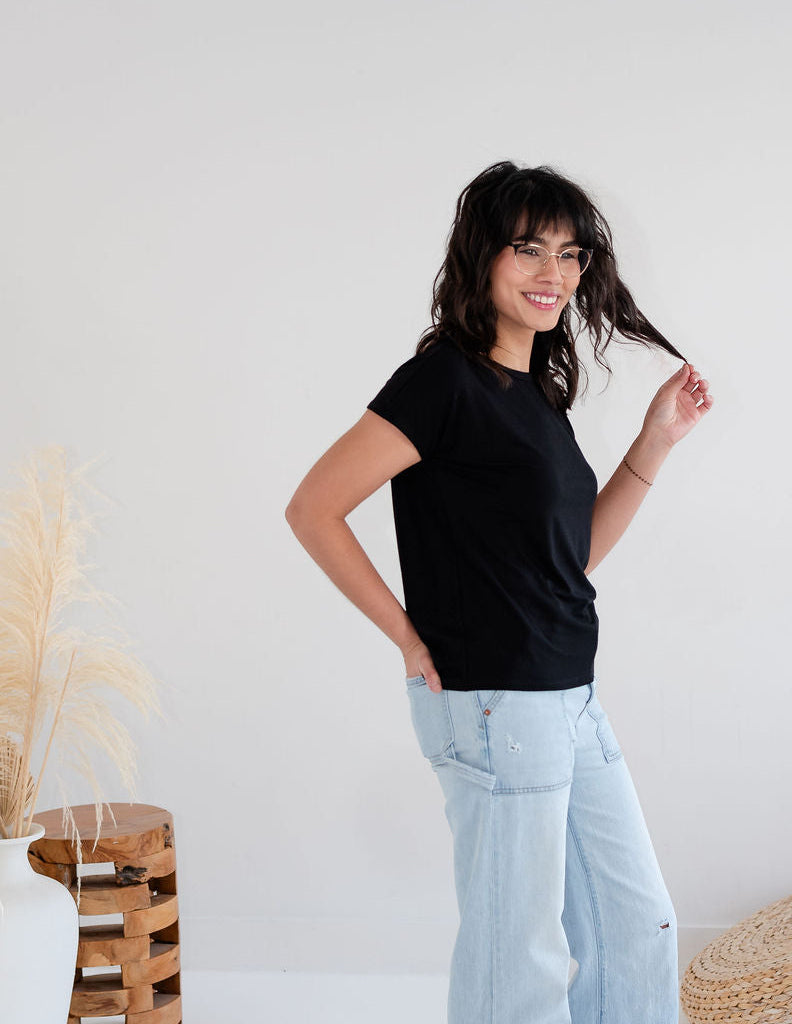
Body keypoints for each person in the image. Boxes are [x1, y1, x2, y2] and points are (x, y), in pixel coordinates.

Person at [286, 160, 713, 1024]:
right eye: (528, 248)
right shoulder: (442, 382)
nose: (552, 272)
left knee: (637, 925)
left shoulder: (537, 396)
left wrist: (655, 441)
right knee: (516, 956)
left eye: (569, 253)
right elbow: (314, 508)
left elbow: (569, 558)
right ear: (482, 258)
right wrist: (409, 640)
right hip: (493, 703)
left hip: (568, 697)